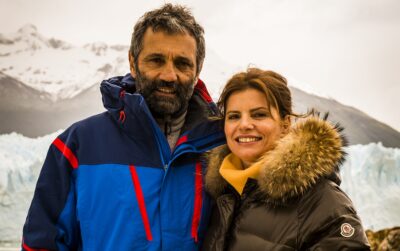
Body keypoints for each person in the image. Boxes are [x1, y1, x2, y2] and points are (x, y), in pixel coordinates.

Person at [22, 4, 225, 251]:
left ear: (197, 71)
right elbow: (42, 244)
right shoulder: (78, 145)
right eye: (156, 60)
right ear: (132, 61)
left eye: (183, 64)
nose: (169, 75)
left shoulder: (220, 145)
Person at [202, 68, 371, 250]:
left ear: (285, 124)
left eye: (259, 114)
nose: (244, 125)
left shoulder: (322, 202)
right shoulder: (219, 193)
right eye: (234, 116)